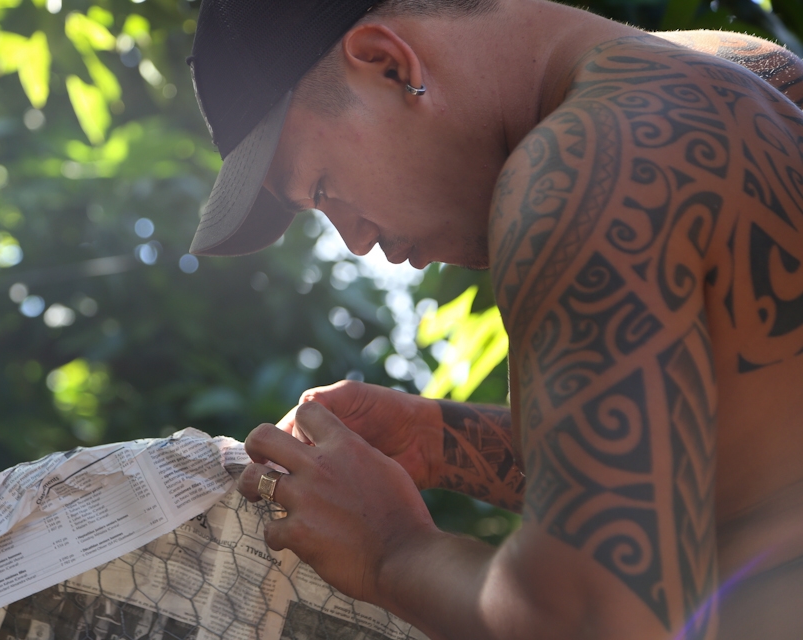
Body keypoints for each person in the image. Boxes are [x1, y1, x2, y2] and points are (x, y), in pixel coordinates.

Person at [185, 0, 803, 638]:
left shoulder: (584, 167)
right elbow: (724, 455)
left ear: (388, 64)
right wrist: (437, 438)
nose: (359, 241)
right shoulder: (752, 71)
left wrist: (390, 548)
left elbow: (593, 620)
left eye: (322, 189)